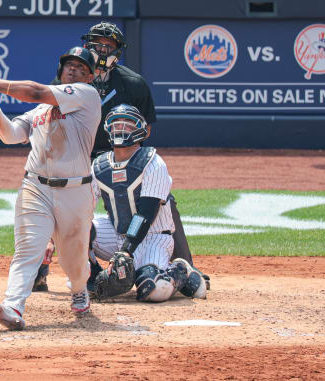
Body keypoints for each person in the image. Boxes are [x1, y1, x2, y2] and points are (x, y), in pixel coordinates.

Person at [32, 21, 207, 293]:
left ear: (118, 51)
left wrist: (123, 155)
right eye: (95, 44)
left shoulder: (132, 83)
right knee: (53, 204)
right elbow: (46, 121)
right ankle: (43, 270)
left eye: (107, 46)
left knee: (164, 203)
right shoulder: (67, 80)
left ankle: (185, 266)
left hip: (117, 156)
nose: (100, 50)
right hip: (75, 157)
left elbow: (145, 128)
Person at [0, 47, 101, 330]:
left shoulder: (87, 96)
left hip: (76, 191)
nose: (74, 70)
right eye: (70, 65)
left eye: (81, 67)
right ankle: (13, 306)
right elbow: (11, 135)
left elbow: (36, 91)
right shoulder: (39, 112)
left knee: (73, 260)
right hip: (36, 186)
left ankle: (79, 289)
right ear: (61, 69)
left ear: (90, 77)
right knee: (28, 248)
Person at [54, 104, 207, 302]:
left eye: (127, 125)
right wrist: (57, 236)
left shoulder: (153, 162)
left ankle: (180, 272)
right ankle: (90, 278)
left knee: (155, 290)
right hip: (116, 234)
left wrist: (125, 252)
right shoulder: (99, 165)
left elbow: (146, 214)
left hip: (153, 238)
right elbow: (83, 209)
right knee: (75, 227)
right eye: (116, 125)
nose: (120, 129)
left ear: (141, 130)